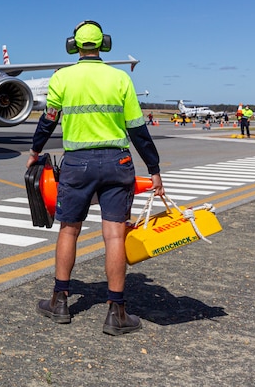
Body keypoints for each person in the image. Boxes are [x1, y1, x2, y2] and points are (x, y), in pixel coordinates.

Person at [26, 20, 164, 336]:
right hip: (118, 161)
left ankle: (59, 301)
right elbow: (138, 130)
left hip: (77, 163)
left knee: (69, 230)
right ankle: (117, 312)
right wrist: (154, 170)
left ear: (73, 46)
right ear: (104, 45)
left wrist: (35, 150)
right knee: (114, 236)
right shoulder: (120, 78)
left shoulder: (62, 78)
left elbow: (48, 120)